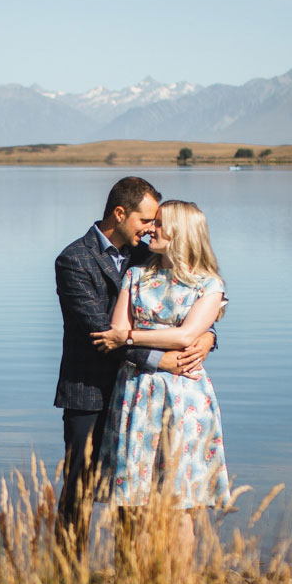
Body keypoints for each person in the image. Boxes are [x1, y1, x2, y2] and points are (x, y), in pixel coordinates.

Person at [52, 177, 214, 553]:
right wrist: (163, 359)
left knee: (134, 491)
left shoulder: (147, 255)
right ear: (120, 213)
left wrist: (206, 338)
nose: (151, 228)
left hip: (141, 396)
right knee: (81, 488)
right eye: (146, 220)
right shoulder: (74, 259)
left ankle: (130, 580)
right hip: (89, 392)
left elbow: (191, 301)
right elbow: (99, 331)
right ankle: (65, 582)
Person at [91, 199, 232, 565]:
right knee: (134, 496)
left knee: (179, 502)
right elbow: (116, 327)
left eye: (160, 224)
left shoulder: (209, 284)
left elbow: (186, 336)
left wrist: (133, 338)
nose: (150, 229)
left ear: (182, 232)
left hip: (184, 397)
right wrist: (132, 335)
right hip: (136, 393)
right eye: (150, 223)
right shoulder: (136, 275)